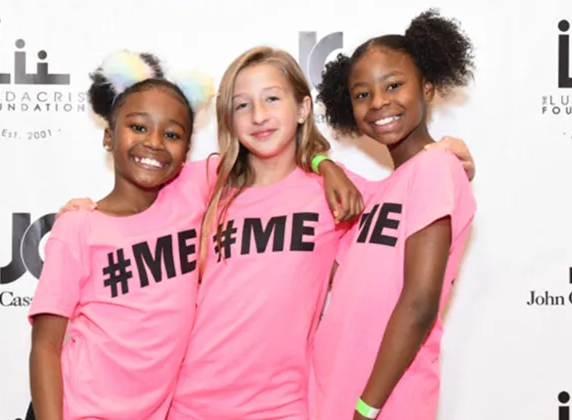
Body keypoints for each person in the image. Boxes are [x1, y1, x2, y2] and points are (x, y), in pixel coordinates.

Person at [57, 46, 476, 419]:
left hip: (284, 405)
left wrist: (444, 156)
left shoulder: (338, 192)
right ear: (229, 118)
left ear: (302, 108)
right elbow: (136, 200)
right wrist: (88, 211)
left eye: (272, 99)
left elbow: (405, 199)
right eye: (242, 105)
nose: (258, 116)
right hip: (190, 401)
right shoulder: (204, 181)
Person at [28, 50, 215, 420]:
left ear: (187, 151)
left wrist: (324, 165)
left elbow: (267, 154)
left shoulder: (194, 194)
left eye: (173, 133)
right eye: (139, 127)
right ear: (109, 137)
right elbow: (46, 346)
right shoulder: (80, 225)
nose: (155, 142)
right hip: (76, 410)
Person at [309, 10, 477, 420]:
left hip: (381, 401)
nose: (379, 102)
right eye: (362, 94)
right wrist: (322, 162)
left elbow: (420, 302)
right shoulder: (373, 195)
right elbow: (284, 147)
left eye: (394, 85)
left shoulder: (436, 167)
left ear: (428, 86)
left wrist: (367, 407)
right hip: (332, 391)